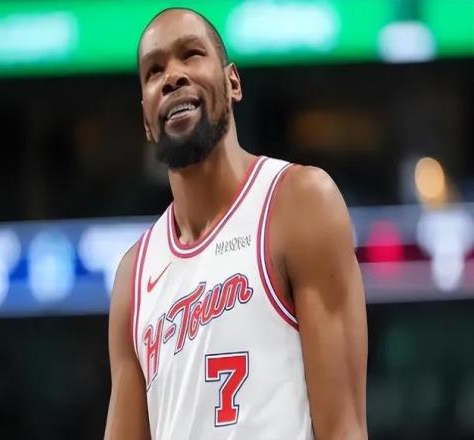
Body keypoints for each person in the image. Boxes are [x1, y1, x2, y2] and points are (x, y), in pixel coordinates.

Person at [105, 7, 367, 440]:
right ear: (147, 121)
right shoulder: (133, 276)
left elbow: (345, 430)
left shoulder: (298, 203)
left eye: (191, 54)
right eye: (154, 71)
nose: (172, 76)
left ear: (233, 83)